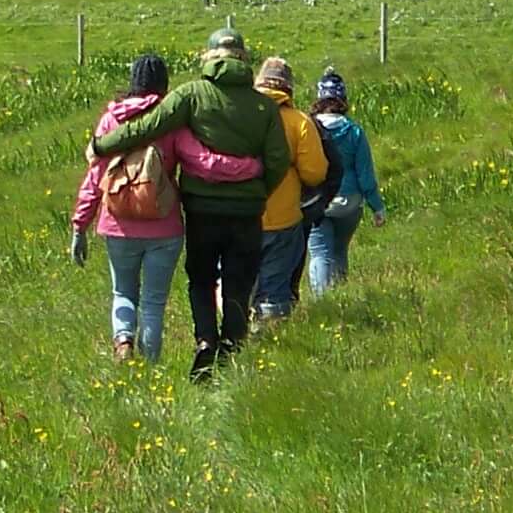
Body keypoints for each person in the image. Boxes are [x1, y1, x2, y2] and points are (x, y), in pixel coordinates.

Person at [91, 27, 288, 377]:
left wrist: (103, 144)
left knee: (201, 278)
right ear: (244, 59)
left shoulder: (192, 94)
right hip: (247, 211)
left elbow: (147, 127)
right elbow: (278, 161)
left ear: (209, 58)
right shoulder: (264, 106)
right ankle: (232, 345)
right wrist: (258, 191)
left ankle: (205, 341)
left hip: (202, 208)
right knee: (239, 281)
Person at [249, 54, 330, 322]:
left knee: (238, 283)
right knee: (274, 287)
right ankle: (271, 339)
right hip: (283, 218)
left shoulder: (239, 115)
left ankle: (236, 337)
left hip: (241, 214)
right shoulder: (299, 121)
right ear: (288, 87)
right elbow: (315, 173)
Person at [304, 67, 385, 292]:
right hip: (349, 202)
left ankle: (322, 302)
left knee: (320, 252)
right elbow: (365, 174)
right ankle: (340, 296)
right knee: (340, 250)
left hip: (316, 201)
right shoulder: (354, 132)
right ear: (343, 99)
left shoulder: (308, 129)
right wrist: (377, 207)